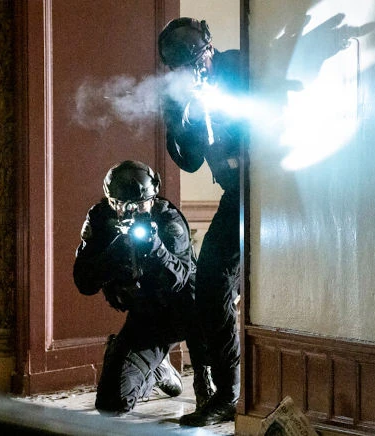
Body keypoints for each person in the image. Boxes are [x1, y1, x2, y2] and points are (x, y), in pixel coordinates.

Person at [73, 160, 213, 415]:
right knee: (111, 403)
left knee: (202, 298)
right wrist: (114, 251)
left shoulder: (167, 219)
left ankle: (205, 378)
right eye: (121, 204)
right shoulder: (101, 219)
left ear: (152, 199)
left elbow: (180, 279)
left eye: (140, 205)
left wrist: (156, 248)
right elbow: (84, 282)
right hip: (146, 317)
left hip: (183, 312)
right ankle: (157, 369)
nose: (131, 212)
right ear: (110, 201)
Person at [158, 17, 245, 426]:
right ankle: (227, 394)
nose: (195, 74)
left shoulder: (241, 66)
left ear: (209, 49)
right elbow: (190, 162)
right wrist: (176, 122)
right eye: (183, 70)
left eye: (198, 63)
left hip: (271, 188)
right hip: (237, 195)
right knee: (210, 284)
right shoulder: (183, 96)